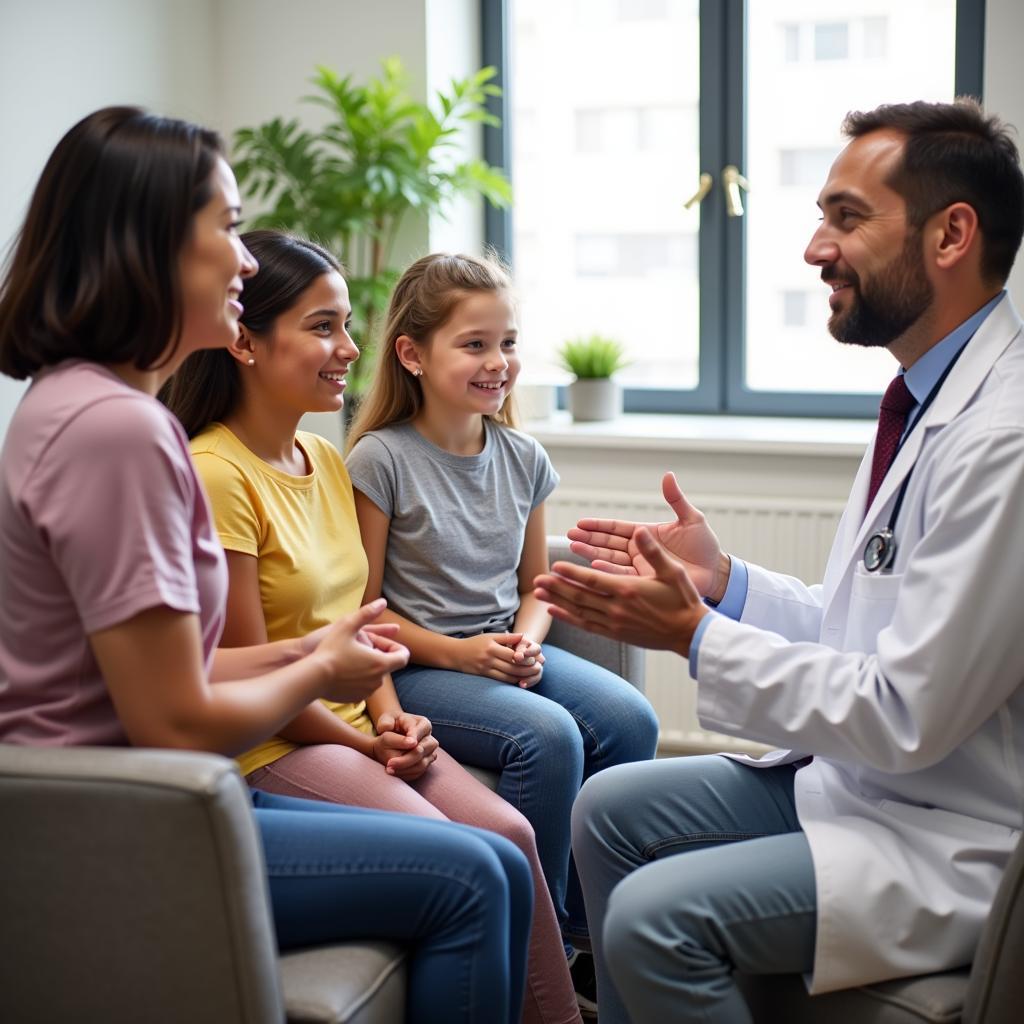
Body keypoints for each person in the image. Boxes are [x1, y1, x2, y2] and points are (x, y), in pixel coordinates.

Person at [0, 106, 534, 1024]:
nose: (247, 260)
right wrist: (324, 667)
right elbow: (176, 716)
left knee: (496, 853)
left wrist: (322, 650)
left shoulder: (94, 408)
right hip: (113, 824)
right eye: (230, 228)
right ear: (152, 243)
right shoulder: (118, 431)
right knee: (470, 878)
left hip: (145, 797)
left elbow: (183, 670)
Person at [533, 98, 1024, 1024]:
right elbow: (864, 628)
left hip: (954, 832)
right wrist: (729, 585)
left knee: (647, 920)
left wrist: (697, 636)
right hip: (877, 788)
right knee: (605, 812)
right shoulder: (925, 396)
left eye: (846, 217)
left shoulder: (1003, 438)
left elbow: (905, 712)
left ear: (952, 234)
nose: (814, 249)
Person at [162, 228, 583, 1024]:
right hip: (282, 740)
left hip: (361, 720)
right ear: (245, 343)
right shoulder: (216, 472)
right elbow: (251, 667)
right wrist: (366, 740)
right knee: (477, 861)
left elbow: (362, 624)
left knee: (515, 837)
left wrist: (392, 716)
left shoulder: (321, 458)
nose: (353, 349)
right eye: (325, 327)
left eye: (348, 324)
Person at [343, 251, 660, 1011]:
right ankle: (536, 954)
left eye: (508, 343)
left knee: (630, 718)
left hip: (497, 650)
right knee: (548, 737)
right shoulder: (381, 459)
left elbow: (534, 587)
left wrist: (525, 636)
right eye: (475, 344)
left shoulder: (523, 456)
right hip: (420, 663)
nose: (499, 363)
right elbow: (363, 610)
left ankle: (583, 940)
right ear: (413, 355)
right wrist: (461, 653)